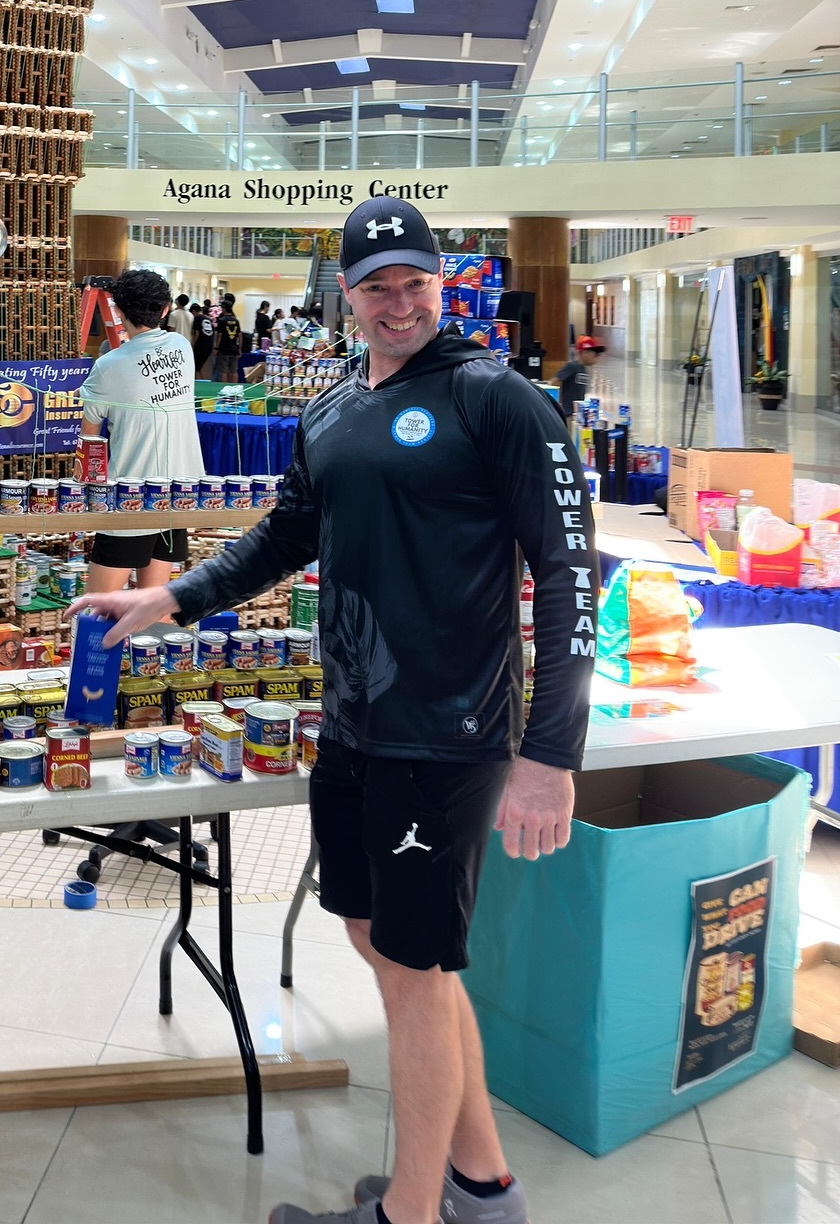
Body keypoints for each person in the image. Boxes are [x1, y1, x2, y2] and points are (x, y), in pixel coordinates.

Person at [73, 194, 597, 1224]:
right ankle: (484, 1186)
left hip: (444, 737)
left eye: (415, 283)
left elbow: (571, 573)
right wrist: (170, 596)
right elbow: (279, 538)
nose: (398, 304)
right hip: (352, 724)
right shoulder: (335, 409)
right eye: (377, 287)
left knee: (410, 970)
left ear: (440, 285)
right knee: (384, 944)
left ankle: (409, 1212)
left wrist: (550, 754)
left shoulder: (498, 400)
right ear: (347, 296)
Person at [78, 267, 205, 594]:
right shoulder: (182, 348)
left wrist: (88, 497)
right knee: (153, 607)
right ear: (165, 309)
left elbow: (90, 441)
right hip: (179, 494)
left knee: (97, 610)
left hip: (129, 499)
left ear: (118, 312)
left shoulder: (107, 366)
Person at [555, 335, 605, 420]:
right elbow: (554, 381)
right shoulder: (572, 366)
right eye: (595, 354)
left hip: (577, 412)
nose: (596, 358)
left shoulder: (584, 370)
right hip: (568, 413)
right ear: (584, 353)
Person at [212, 292, 243, 383]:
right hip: (234, 348)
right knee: (233, 370)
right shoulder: (236, 320)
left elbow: (220, 335)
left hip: (224, 349)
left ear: (224, 309)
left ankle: (224, 388)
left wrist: (216, 347)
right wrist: (239, 348)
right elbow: (240, 335)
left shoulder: (221, 320)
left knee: (223, 370)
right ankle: (234, 388)